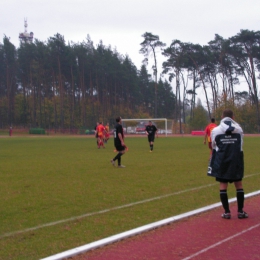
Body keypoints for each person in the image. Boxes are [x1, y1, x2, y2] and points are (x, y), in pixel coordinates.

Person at [207, 109, 248, 219]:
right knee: (238, 184)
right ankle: (240, 211)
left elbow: (214, 146)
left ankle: (227, 212)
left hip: (222, 159)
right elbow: (241, 145)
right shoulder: (238, 129)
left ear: (222, 117)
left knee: (223, 185)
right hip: (236, 159)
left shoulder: (215, 130)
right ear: (233, 117)